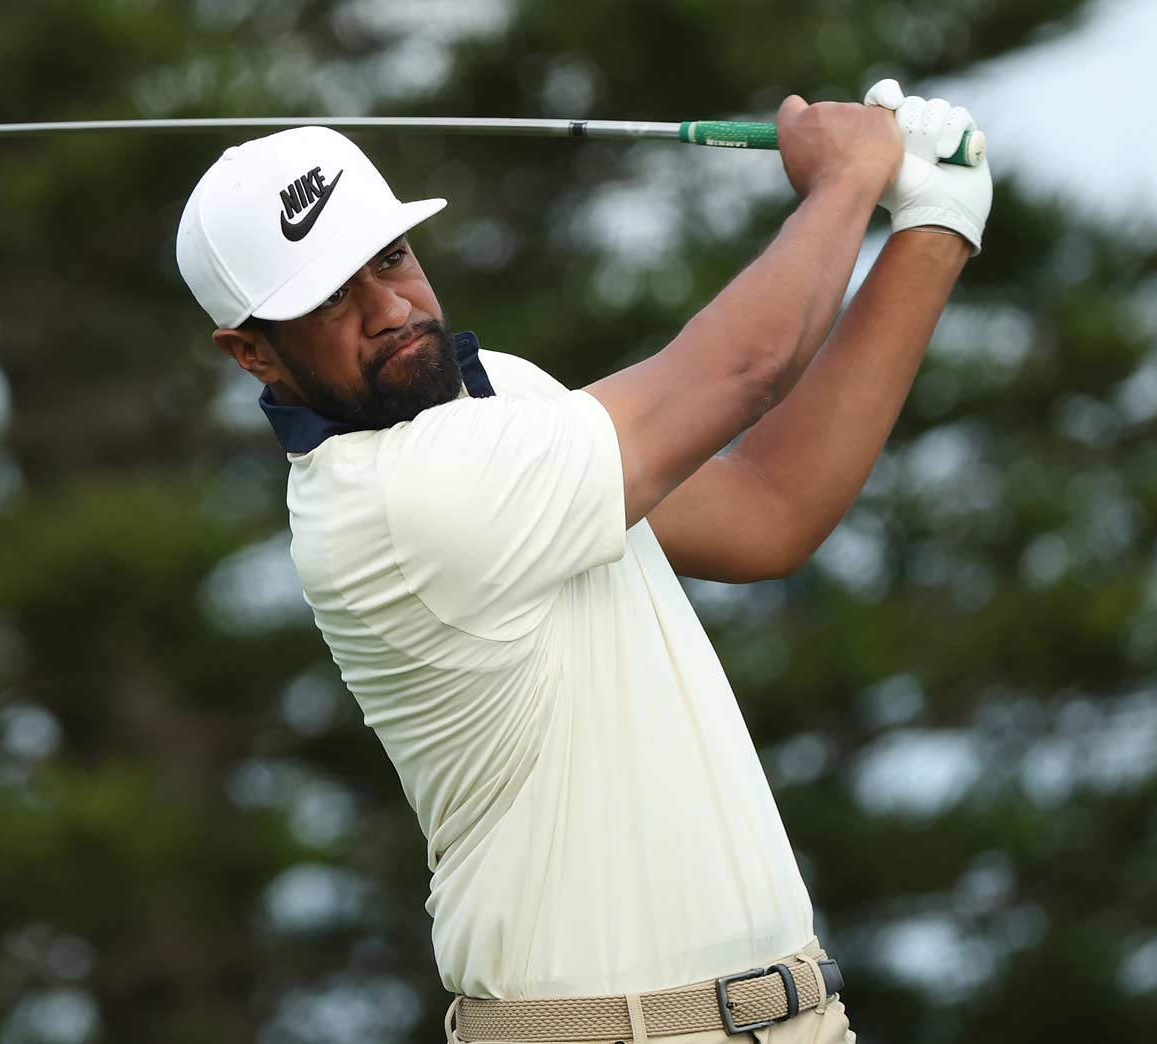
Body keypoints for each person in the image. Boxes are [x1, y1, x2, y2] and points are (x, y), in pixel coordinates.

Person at [175, 78, 991, 1044]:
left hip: (795, 1017)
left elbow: (768, 509)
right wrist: (845, 181)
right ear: (253, 353)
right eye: (330, 299)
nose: (390, 308)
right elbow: (744, 370)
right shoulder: (398, 498)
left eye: (389, 257)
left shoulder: (502, 398)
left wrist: (933, 227)